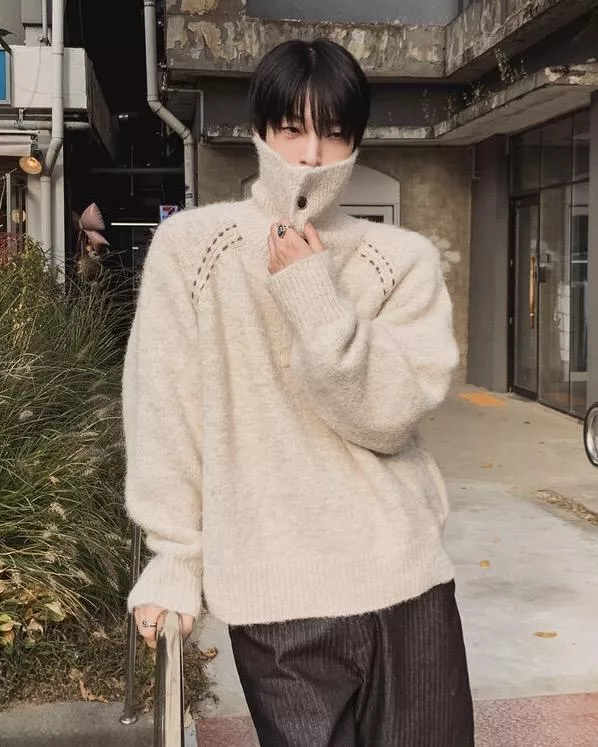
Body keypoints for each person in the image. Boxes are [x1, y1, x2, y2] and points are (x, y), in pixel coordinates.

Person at [123, 38, 474, 746]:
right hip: (276, 596)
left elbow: (389, 416)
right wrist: (176, 557)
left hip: (404, 580)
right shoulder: (193, 250)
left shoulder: (401, 259)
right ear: (260, 131)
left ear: (355, 140)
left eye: (333, 132)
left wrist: (314, 299)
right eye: (292, 129)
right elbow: (165, 412)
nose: (312, 155)